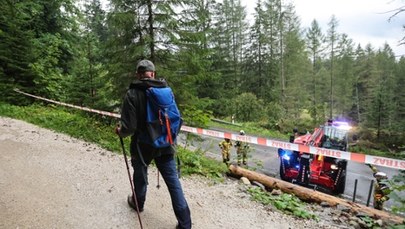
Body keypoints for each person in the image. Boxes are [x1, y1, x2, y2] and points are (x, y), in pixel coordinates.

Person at [115, 59, 192, 229]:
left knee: (140, 175)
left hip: (143, 146)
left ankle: (138, 203)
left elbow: (129, 127)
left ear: (138, 74)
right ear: (153, 73)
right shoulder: (166, 90)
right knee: (173, 182)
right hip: (166, 143)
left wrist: (120, 131)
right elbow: (176, 119)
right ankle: (185, 223)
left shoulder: (133, 94)